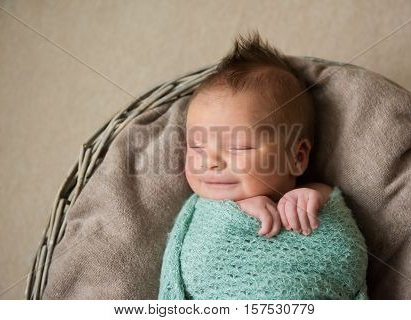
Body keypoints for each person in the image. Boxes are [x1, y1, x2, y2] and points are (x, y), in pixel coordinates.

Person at [158, 31, 368, 300]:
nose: (210, 162)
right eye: (197, 147)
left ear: (297, 157)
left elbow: (346, 255)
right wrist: (239, 206)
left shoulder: (314, 199)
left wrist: (314, 196)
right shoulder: (204, 208)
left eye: (239, 147)